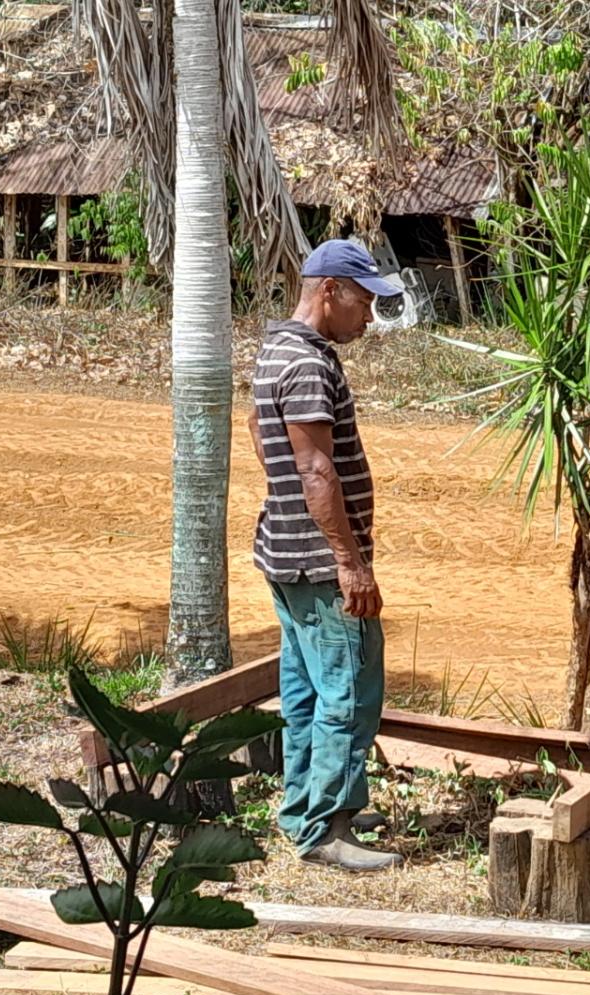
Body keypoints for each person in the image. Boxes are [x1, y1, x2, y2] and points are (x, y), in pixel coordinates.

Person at [248, 240, 403, 871]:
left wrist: (287, 503)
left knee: (305, 689)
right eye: (365, 301)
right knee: (348, 688)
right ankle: (328, 830)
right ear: (330, 291)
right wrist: (349, 559)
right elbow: (315, 466)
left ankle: (306, 808)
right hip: (317, 562)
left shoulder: (276, 348)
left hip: (285, 551)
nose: (370, 316)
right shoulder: (310, 365)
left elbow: (262, 437)